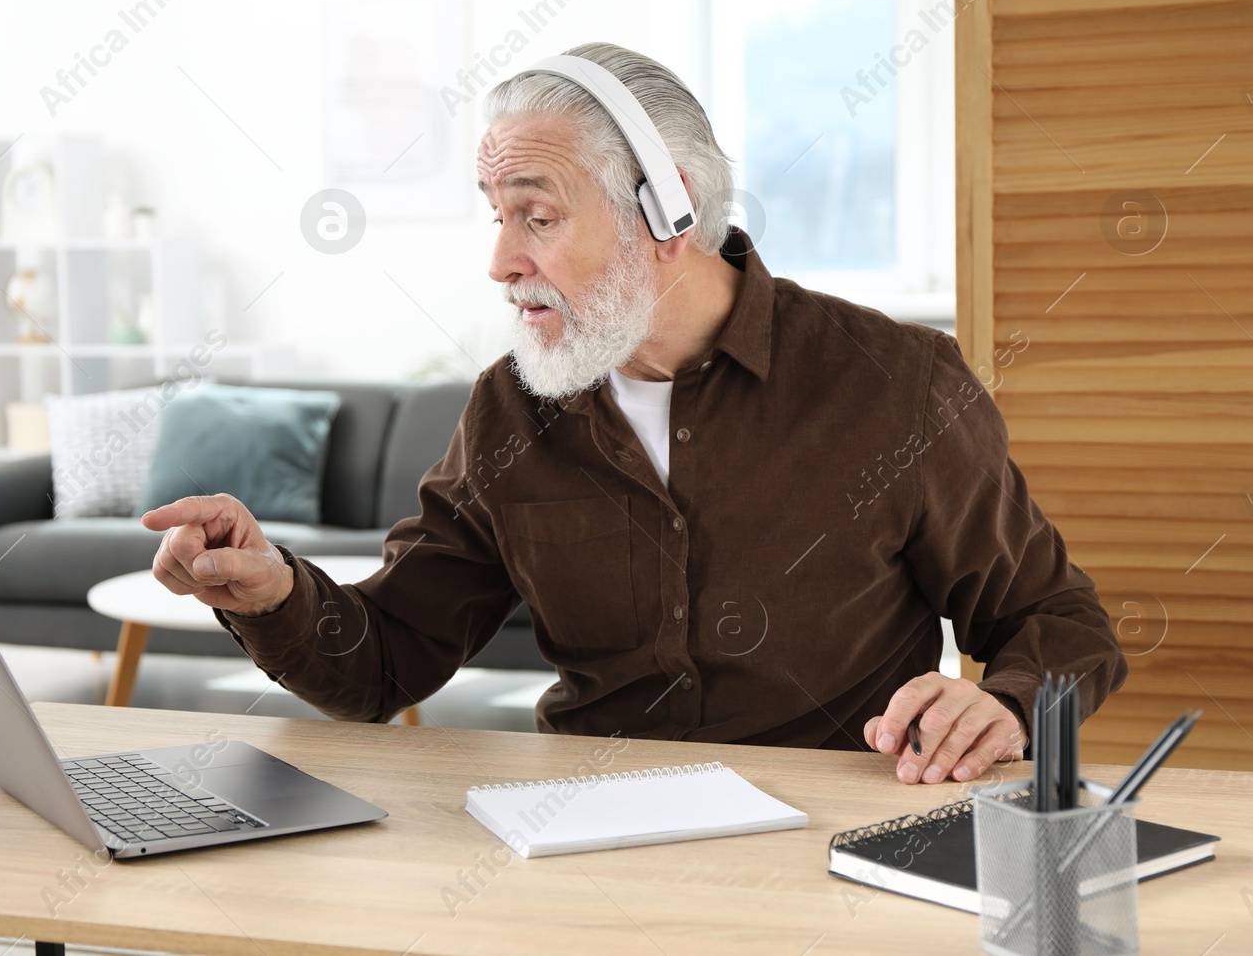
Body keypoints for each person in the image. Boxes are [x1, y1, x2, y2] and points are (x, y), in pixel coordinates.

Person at [142, 41, 1127, 785]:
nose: (500, 261)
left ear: (669, 211)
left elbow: (1056, 618)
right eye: (496, 214)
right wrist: (272, 590)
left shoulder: (896, 383)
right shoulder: (509, 410)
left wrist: (1004, 704)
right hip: (581, 851)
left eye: (537, 213)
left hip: (831, 851)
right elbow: (386, 660)